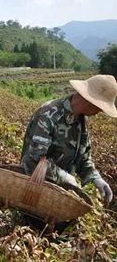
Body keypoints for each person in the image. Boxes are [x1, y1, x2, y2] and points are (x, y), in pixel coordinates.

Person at [21, 75, 117, 206]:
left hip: (59, 194)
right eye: (100, 106)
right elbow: (35, 159)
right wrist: (65, 177)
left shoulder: (81, 121)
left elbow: (83, 158)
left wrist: (95, 178)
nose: (100, 111)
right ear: (90, 100)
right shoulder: (49, 115)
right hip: (33, 190)